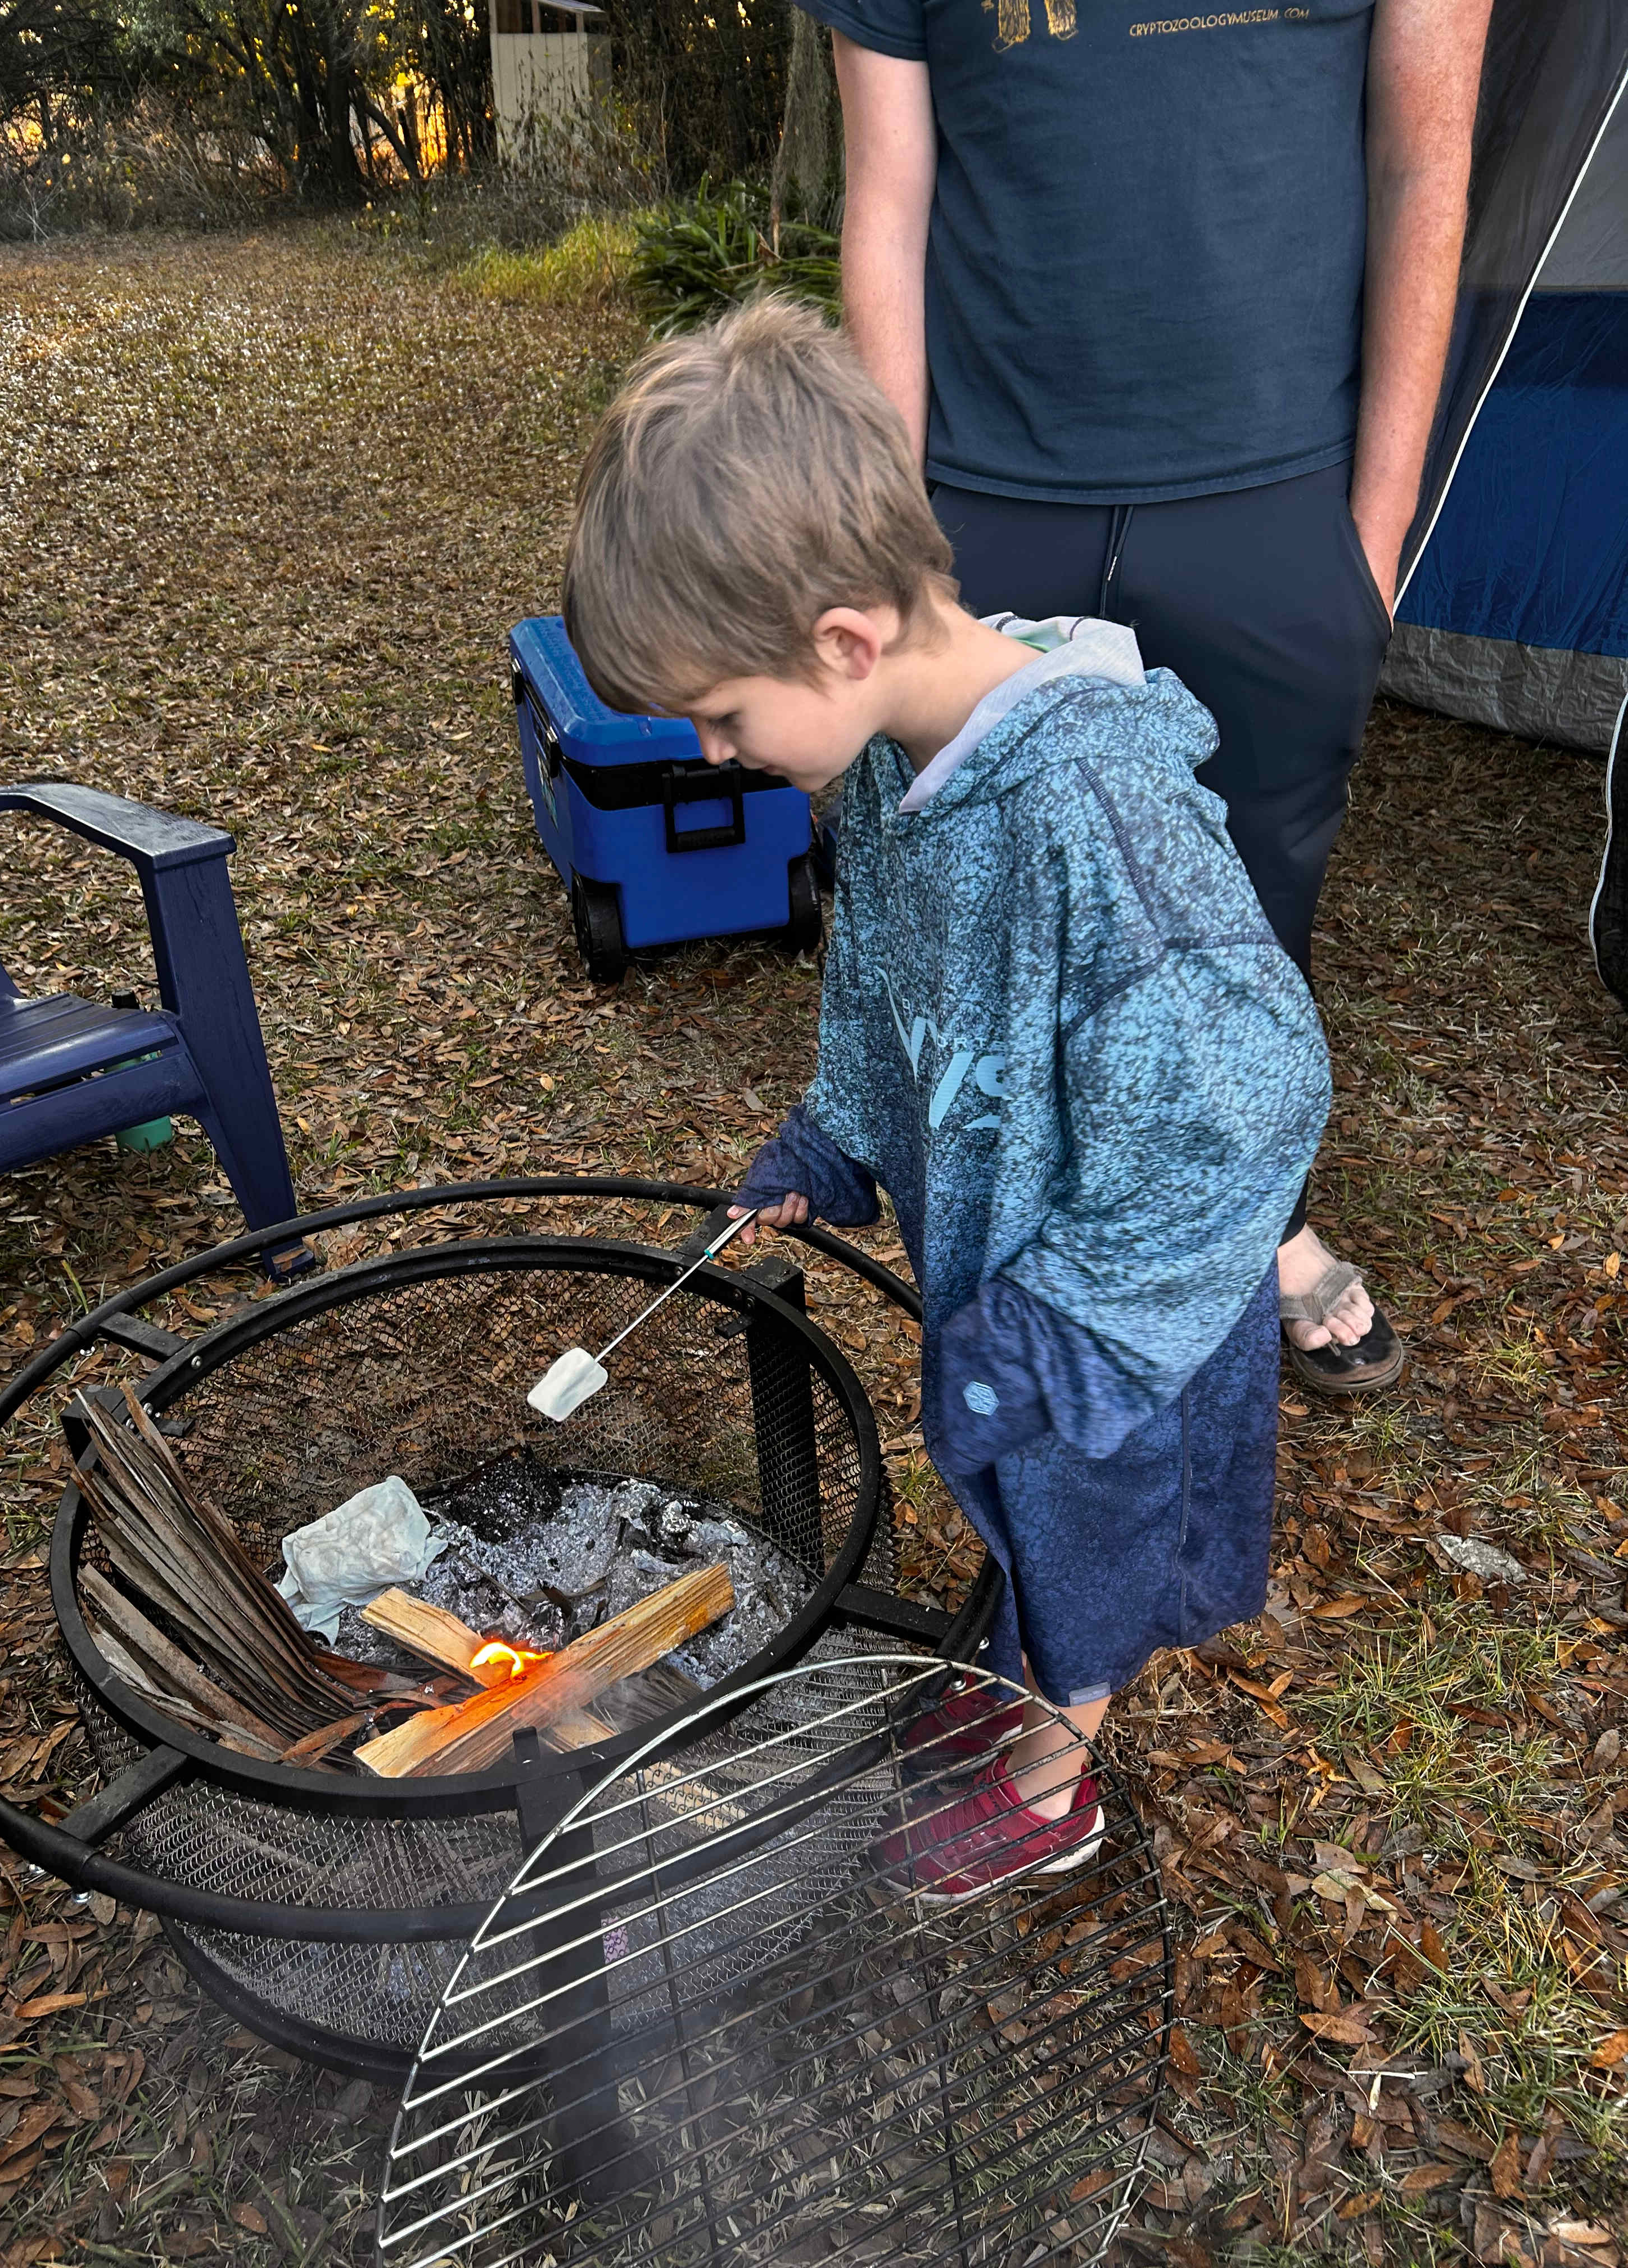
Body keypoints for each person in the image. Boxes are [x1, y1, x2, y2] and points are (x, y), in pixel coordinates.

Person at [562, 298, 1332, 1895]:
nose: (712, 750)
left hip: (1116, 1334)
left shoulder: (1096, 815)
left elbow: (1252, 1103)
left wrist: (1067, 1334)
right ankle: (1026, 1689)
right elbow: (884, 982)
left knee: (1085, 1548)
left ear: (844, 640)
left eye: (722, 714)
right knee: (1027, 1530)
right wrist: (838, 1133)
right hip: (1015, 1287)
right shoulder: (891, 767)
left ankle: (1055, 1785)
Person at [810, 0, 1495, 1394]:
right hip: (982, 498)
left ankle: (1260, 1220)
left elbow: (1424, 159)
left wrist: (1370, 547)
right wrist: (895, 541)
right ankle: (1024, 1256)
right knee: (978, 918)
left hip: (1278, 493)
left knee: (1247, 916)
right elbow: (887, 190)